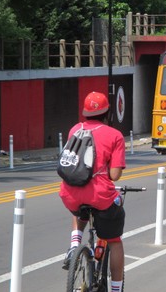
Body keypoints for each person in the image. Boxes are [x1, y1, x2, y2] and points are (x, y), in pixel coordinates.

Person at [59, 91, 126, 292]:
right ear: (107, 114)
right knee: (114, 242)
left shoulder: (74, 130)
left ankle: (74, 246)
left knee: (79, 209)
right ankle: (115, 289)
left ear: (85, 113)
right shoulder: (114, 135)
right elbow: (115, 176)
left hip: (69, 193)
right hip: (99, 196)